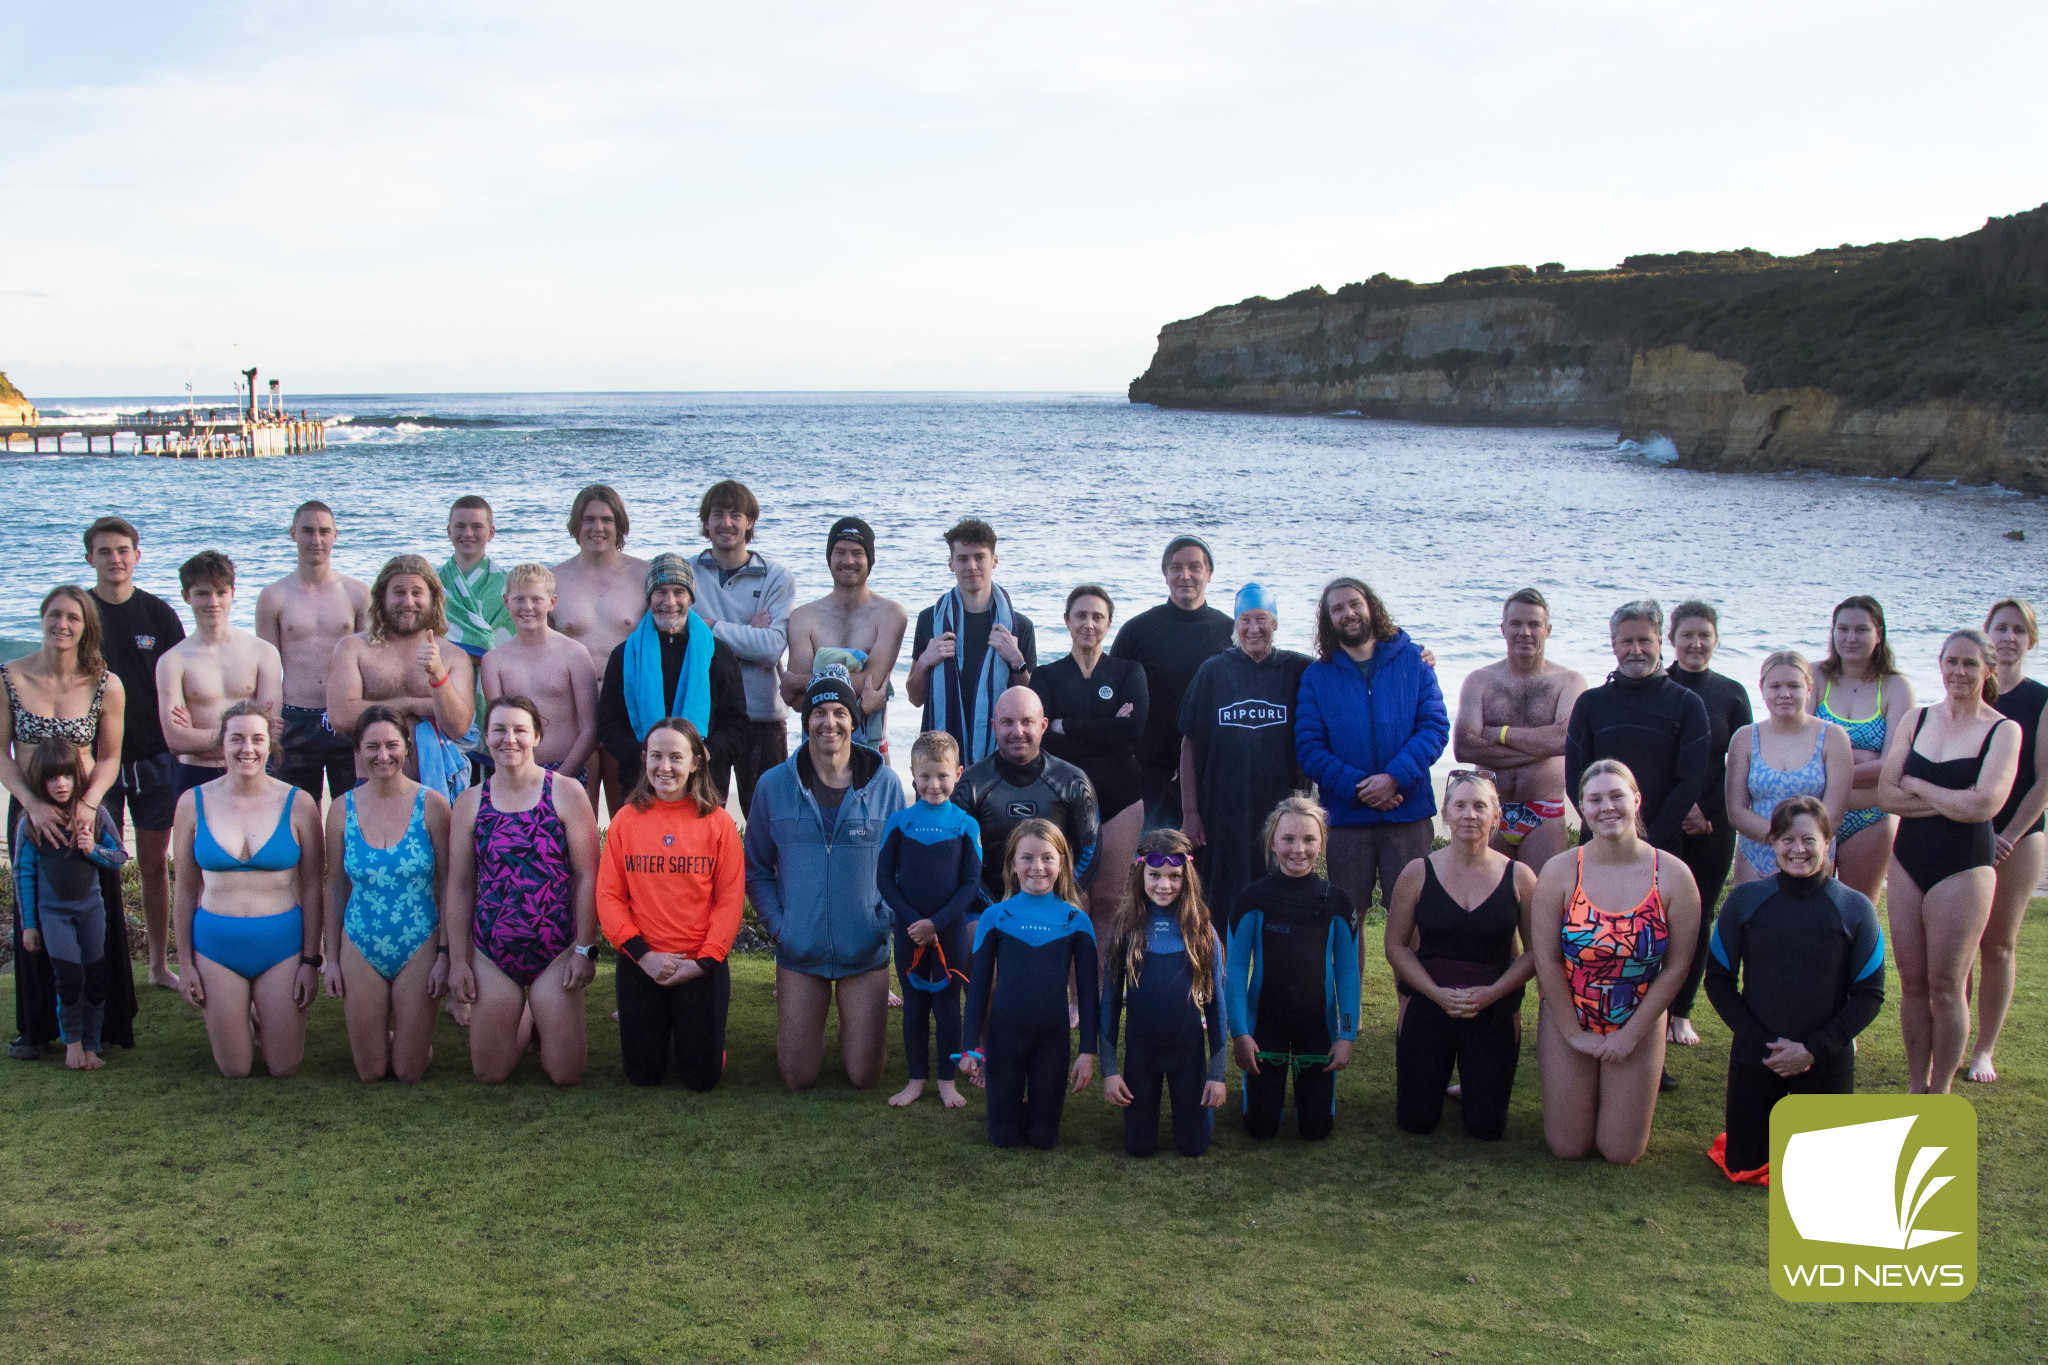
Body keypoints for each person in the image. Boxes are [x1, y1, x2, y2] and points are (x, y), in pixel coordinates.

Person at [1704, 796, 1885, 1182]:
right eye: (1786, 839)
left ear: (1828, 842)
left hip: (1825, 1057)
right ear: (1773, 843)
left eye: (1809, 840)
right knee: (1745, 1167)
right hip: (1759, 1054)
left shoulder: (1855, 908)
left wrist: (1812, 1050)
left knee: (1823, 1175)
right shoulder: (1745, 900)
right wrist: (1763, 1043)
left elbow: (1870, 994)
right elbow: (1718, 980)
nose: (1797, 849)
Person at [1530, 760, 1701, 1164]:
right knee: (1568, 1147)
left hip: (1637, 1018)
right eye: (1595, 799)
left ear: (1636, 800)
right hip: (1569, 1014)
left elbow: (1677, 966)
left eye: (1617, 796)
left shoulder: (1673, 875)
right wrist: (1573, 1034)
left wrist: (1632, 1034)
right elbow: (1547, 959)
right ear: (1582, 808)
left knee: (1620, 1152)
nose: (1607, 807)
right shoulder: (1559, 871)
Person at [745, 673, 907, 1090]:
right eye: (819, 713)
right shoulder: (772, 785)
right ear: (806, 720)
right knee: (798, 1077)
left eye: (839, 713)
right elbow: (758, 868)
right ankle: (798, 1033)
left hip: (864, 950)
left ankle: (859, 1035)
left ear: (854, 722)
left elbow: (903, 866)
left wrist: (881, 922)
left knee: (864, 1075)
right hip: (800, 950)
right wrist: (780, 927)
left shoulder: (885, 784)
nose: (828, 723)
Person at [1877, 630, 2020, 1096]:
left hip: (1965, 865)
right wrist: (1951, 799)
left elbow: (1984, 806)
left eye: (1970, 664)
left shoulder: (2003, 730)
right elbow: (1885, 793)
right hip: (1908, 860)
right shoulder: (1917, 720)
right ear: (1940, 664)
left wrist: (1919, 786)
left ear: (1988, 671)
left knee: (1946, 984)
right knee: (1913, 983)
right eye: (1951, 662)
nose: (1959, 672)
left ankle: (1940, 1091)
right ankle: (1917, 1085)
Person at [3, 585, 138, 1059]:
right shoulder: (9, 678)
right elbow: (2, 755)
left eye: (73, 618)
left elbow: (109, 756)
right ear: (42, 618)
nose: (62, 625)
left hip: (88, 807)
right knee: (37, 911)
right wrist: (31, 805)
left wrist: (89, 803)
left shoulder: (106, 683)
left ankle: (104, 1024)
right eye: (55, 615)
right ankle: (38, 1028)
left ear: (86, 628)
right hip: (30, 809)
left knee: (97, 906)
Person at [446, 697, 601, 1086]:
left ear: (536, 736)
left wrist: (584, 949)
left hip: (556, 950)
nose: (508, 739)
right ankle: (526, 1014)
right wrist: (458, 961)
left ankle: (539, 1010)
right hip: (492, 952)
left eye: (519, 730)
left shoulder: (565, 793)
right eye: (499, 730)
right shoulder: (469, 802)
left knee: (565, 1074)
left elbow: (587, 876)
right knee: (490, 1073)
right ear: (486, 737)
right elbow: (461, 886)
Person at [170, 703, 326, 1079]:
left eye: (258, 739)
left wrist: (310, 961)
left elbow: (313, 888)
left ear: (271, 745)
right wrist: (186, 963)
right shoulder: (192, 802)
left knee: (284, 1066)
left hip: (281, 947)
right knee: (235, 1069)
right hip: (217, 946)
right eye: (236, 739)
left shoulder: (299, 803)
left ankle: (260, 1011)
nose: (247, 749)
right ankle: (242, 1011)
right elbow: (186, 890)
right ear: (220, 745)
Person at [1384, 770, 1535, 1142]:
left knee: (1486, 1127)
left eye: (1480, 806)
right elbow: (1396, 947)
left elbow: (1535, 955)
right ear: (1445, 815)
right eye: (1460, 805)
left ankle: (1471, 1080)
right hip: (1430, 1003)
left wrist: (1492, 994)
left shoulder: (1521, 877)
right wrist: (1435, 993)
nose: (1470, 814)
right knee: (1416, 1121)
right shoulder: (1417, 872)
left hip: (1493, 1008)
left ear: (1496, 817)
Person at [596, 716, 745, 1091]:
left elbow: (729, 901)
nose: (665, 768)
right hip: (642, 962)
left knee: (701, 1079)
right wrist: (644, 956)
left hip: (698, 965)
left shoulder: (719, 823)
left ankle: (703, 1044)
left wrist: (704, 961)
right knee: (643, 1076)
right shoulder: (625, 822)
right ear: (644, 759)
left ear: (696, 761)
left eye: (676, 758)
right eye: (656, 756)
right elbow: (609, 896)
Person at [1296, 576, 1448, 914]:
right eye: (1337, 609)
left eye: (1354, 604)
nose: (1348, 614)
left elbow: (1434, 728)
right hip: (1347, 817)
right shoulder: (1316, 676)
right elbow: (1309, 749)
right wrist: (1362, 787)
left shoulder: (1413, 661)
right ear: (1327, 620)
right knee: (1347, 919)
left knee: (1415, 915)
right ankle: (1353, 972)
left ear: (1370, 608)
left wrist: (1393, 778)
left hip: (1407, 811)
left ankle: (1410, 971)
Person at [320, 706, 451, 1084]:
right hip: (360, 940)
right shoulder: (341, 809)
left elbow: (449, 883)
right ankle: (389, 1035)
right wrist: (331, 959)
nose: (383, 755)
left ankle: (413, 1038)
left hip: (420, 940)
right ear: (358, 751)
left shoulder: (432, 805)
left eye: (392, 745)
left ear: (407, 747)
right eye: (372, 746)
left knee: (409, 1071)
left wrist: (445, 954)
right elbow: (334, 884)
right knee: (371, 1072)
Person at [84, 514, 186, 989]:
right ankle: (103, 965)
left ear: (137, 555)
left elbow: (183, 674)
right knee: (97, 861)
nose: (115, 559)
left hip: (154, 756)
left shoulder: (159, 614)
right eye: (104, 552)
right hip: (93, 759)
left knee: (151, 863)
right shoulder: (79, 613)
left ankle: (157, 965)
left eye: (122, 550)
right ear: (91, 559)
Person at [1225, 795, 1360, 1142]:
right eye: (1288, 839)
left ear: (1322, 843)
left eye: (1309, 839)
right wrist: (1240, 1035)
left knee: (1316, 1130)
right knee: (1261, 1128)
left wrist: (1346, 1036)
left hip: (1317, 1026)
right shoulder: (1252, 899)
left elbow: (1347, 971)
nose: (1298, 849)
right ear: (1273, 842)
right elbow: (1236, 971)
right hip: (1264, 1025)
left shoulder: (1338, 902)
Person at [957, 820, 1099, 1149]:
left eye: (1047, 857)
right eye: (1027, 858)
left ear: (1062, 862)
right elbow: (977, 988)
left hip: (1052, 1040)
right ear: (1012, 864)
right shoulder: (995, 916)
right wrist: (970, 1047)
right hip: (1004, 1038)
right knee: (1002, 1139)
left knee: (1043, 1139)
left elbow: (1089, 994)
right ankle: (1009, 1106)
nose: (1037, 867)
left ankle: (1034, 1109)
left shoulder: (1076, 920)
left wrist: (1087, 1052)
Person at [1179, 583, 1313, 918]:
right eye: (1245, 621)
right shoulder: (1213, 671)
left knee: (1280, 907)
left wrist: (1414, 655)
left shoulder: (1298, 671)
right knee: (1220, 906)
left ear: (1276, 623)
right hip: (1223, 812)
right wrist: (1191, 813)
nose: (1254, 629)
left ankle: (1275, 971)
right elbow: (1188, 742)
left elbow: (1349, 666)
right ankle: (1222, 971)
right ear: (1235, 626)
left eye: (1262, 619)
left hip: (1281, 810)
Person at [1099, 828, 1228, 1158]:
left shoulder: (1201, 930)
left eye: (1174, 876)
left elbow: (1217, 1007)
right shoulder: (1126, 930)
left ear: (1188, 878)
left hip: (1189, 1056)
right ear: (1140, 872)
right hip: (1141, 1056)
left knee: (1193, 1148)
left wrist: (1216, 1075)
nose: (1164, 885)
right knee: (1139, 1148)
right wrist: (1110, 1071)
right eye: (1154, 875)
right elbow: (1110, 1004)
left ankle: (1198, 1118)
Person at [1664, 601, 1755, 1049]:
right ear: (1671, 640)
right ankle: (1652, 1006)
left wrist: (1706, 808)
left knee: (1697, 917)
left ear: (1716, 639)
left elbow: (1741, 765)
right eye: (1687, 636)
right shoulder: (1657, 686)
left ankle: (1681, 1012)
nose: (1696, 644)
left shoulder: (1733, 693)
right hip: (1663, 817)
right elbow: (1648, 759)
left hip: (1714, 822)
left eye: (1705, 635)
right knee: (1656, 915)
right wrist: (1680, 807)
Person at [877, 730, 984, 1109]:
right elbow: (884, 879)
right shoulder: (900, 822)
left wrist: (935, 924)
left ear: (958, 773)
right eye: (925, 776)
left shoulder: (965, 825)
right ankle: (915, 1080)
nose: (933, 784)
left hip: (948, 932)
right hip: (909, 933)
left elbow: (971, 884)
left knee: (947, 1008)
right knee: (915, 1008)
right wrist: (914, 923)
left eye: (942, 775)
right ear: (912, 775)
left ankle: (946, 1080)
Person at [1032, 586, 1149, 918]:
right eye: (1081, 615)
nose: (1089, 624)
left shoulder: (1129, 672)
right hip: (1063, 798)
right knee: (1074, 901)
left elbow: (1132, 732)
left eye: (1098, 616)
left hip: (1121, 797)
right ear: (1067, 620)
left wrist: (1066, 725)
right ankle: (1073, 972)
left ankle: (1106, 972)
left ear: (1109, 623)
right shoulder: (1046, 676)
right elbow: (1042, 741)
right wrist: (1108, 727)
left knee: (1111, 901)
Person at [12, 738, 128, 1069]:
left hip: (91, 910)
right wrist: (29, 925)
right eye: (52, 778)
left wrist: (93, 850)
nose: (61, 784)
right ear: (40, 782)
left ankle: (92, 1045)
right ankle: (73, 1043)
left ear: (78, 777)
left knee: (95, 978)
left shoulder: (95, 815)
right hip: (53, 915)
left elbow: (119, 857)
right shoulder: (31, 824)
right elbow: (23, 875)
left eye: (67, 776)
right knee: (69, 979)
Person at [1563, 600, 1711, 858]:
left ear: (1660, 643)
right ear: (1613, 645)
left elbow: (1688, 784)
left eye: (1644, 641)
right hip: (1599, 842)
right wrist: (1604, 829)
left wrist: (1646, 843)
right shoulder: (1590, 704)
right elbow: (1575, 778)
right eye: (1627, 642)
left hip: (1663, 846)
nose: (1636, 650)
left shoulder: (1687, 705)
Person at [1452, 589, 1587, 871]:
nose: (1525, 632)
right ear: (1503, 629)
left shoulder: (1569, 682)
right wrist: (1542, 748)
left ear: (1547, 630)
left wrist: (1497, 733)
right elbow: (1464, 747)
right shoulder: (1480, 681)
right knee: (1487, 899)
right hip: (1487, 807)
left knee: (1540, 899)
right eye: (1516, 624)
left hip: (1544, 810)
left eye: (1534, 624)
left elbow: (1564, 740)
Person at [595, 553, 748, 798]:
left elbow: (737, 723)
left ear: (691, 597)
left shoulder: (717, 654)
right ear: (648, 597)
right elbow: (609, 724)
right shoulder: (624, 656)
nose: (670, 601)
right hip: (640, 781)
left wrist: (706, 753)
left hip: (704, 783)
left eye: (679, 592)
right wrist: (644, 757)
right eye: (661, 591)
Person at [325, 556, 478, 801]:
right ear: (382, 597)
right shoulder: (353, 648)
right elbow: (341, 717)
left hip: (435, 792)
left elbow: (459, 726)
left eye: (417, 593)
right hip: (370, 788)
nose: (408, 602)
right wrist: (412, 704)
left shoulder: (452, 655)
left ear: (433, 598)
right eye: (399, 592)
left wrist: (438, 675)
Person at [1972, 597, 2048, 1083]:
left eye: (2019, 630)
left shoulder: (2040, 700)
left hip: (2021, 835)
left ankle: (1984, 1050)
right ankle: (1950, 1040)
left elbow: (2043, 782)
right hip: (1965, 830)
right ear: (1987, 635)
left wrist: (2008, 836)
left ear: (2031, 640)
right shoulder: (1970, 689)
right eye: (2000, 628)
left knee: (1998, 945)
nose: (2008, 638)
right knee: (1956, 951)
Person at [1111, 536, 1234, 831]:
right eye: (1176, 567)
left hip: (1213, 772)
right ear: (1165, 575)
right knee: (1151, 866)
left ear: (1209, 574)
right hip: (1150, 774)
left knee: (1206, 868)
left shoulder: (1231, 632)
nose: (1185, 575)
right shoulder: (1137, 631)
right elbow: (1112, 694)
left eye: (1195, 567)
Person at [691, 480, 796, 813]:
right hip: (704, 717)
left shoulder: (776, 577)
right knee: (703, 816)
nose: (726, 523)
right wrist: (747, 632)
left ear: (750, 521)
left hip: (762, 715)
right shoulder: (687, 572)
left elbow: (771, 648)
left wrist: (710, 628)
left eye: (736, 515)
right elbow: (682, 640)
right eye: (717, 514)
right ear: (705, 522)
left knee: (769, 819)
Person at [254, 501, 371, 800]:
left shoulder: (357, 593)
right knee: (293, 810)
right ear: (293, 533)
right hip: (294, 716)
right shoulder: (273, 597)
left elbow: (368, 663)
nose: (315, 540)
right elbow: (267, 667)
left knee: (353, 807)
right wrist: (267, 719)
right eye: (307, 531)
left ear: (335, 535)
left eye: (323, 531)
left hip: (345, 716)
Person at [952, 687, 1100, 913]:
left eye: (1027, 722)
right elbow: (958, 857)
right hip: (989, 905)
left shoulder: (1072, 782)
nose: (1017, 731)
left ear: (1043, 726)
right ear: (994, 726)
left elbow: (1089, 852)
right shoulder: (970, 784)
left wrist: (1059, 898)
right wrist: (998, 909)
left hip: (1054, 901)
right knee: (972, 934)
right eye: (1007, 722)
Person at [551, 484, 650, 815]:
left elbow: (674, 625)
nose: (598, 528)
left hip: (627, 708)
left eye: (607, 519)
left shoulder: (645, 575)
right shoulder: (553, 579)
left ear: (619, 524)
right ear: (576, 524)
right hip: (572, 710)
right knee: (576, 813)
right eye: (589, 519)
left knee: (629, 812)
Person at [1810, 595, 1914, 904]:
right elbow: (1801, 750)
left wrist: (1835, 765)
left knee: (1858, 912)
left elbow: (1893, 763)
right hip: (1815, 815)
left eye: (1861, 630)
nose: (1850, 638)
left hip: (1871, 817)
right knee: (1809, 911)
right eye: (1842, 629)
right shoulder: (1814, 675)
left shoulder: (1896, 687)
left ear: (1878, 634)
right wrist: (1863, 760)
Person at [907, 518, 1036, 765]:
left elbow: (1030, 704)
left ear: (994, 561)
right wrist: (924, 662)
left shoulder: (1019, 626)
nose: (972, 566)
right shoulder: (929, 620)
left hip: (1001, 757)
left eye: (980, 557)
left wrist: (1016, 660)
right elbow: (915, 698)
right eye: (963, 558)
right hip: (941, 759)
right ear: (951, 563)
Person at [158, 552, 283, 793]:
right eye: (202, 594)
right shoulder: (172, 661)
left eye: (221, 592)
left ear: (232, 593)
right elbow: (175, 740)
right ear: (186, 596)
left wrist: (198, 736)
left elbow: (268, 733)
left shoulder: (263, 653)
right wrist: (244, 736)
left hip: (252, 770)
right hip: (196, 772)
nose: (213, 602)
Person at [782, 516, 907, 756]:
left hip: (870, 746)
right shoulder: (803, 617)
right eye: (840, 552)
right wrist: (856, 684)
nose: (848, 561)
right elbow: (797, 702)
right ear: (829, 557)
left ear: (870, 560)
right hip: (815, 746)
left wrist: (799, 681)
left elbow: (874, 683)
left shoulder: (891, 614)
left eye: (857, 553)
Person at [1726, 652, 1852, 884]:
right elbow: (1736, 811)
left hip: (1811, 856)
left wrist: (1798, 848)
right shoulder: (1744, 738)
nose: (1785, 694)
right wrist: (1781, 842)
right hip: (1756, 854)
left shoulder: (1833, 738)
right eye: (1775, 686)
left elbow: (1833, 814)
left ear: (1809, 688)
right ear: (1762, 689)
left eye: (1794, 686)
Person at [480, 563, 599, 778]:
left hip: (566, 769)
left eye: (536, 599)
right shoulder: (494, 661)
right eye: (519, 599)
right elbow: (495, 727)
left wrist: (560, 777)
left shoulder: (575, 654)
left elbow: (591, 728)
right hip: (514, 772)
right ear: (506, 602)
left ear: (552, 602)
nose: (527, 607)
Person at [439, 495, 516, 756]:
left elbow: (509, 646)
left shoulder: (509, 587)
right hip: (445, 689)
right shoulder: (431, 585)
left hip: (491, 690)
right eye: (460, 526)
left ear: (491, 532)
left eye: (476, 526)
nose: (468, 533)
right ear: (449, 531)